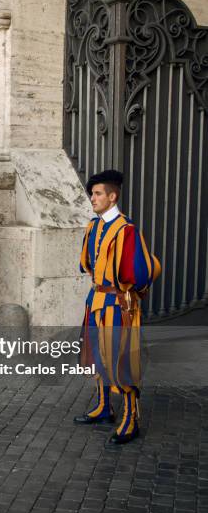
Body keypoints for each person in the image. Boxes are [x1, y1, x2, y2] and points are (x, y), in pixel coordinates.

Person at [74, 169, 161, 444]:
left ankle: (131, 418)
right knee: (96, 356)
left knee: (120, 358)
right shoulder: (94, 226)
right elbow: (87, 263)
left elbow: (141, 272)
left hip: (117, 304)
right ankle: (103, 408)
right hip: (96, 300)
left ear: (113, 196)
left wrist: (129, 296)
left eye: (98, 193)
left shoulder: (127, 230)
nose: (93, 198)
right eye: (92, 194)